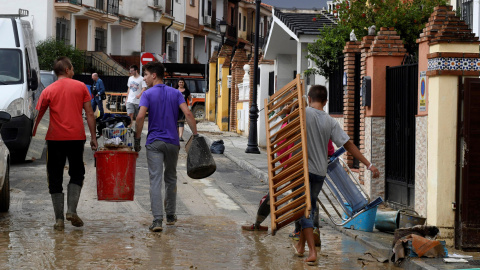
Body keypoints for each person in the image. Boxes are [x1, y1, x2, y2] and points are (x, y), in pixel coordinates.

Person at [292, 85, 380, 265]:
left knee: (304, 209)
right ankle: (301, 247)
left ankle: (312, 252)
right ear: (325, 102)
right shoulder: (331, 121)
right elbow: (348, 145)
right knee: (309, 207)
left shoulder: (303, 113)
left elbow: (290, 115)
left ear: (309, 99)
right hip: (319, 172)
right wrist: (368, 165)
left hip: (302, 170)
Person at [32, 56, 98, 231]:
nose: (74, 70)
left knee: (54, 177)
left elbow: (39, 117)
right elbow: (90, 113)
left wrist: (33, 147)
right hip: (76, 138)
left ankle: (59, 220)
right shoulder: (81, 87)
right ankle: (71, 210)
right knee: (77, 173)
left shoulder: (48, 91)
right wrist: (94, 137)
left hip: (54, 140)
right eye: (73, 68)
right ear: (67, 70)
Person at [134, 61, 198, 232]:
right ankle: (170, 214)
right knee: (170, 177)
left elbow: (140, 118)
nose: (145, 79)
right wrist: (196, 135)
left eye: (146, 75)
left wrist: (137, 137)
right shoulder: (176, 93)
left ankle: (157, 220)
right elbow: (188, 113)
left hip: (154, 142)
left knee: (155, 180)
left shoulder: (147, 94)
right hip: (172, 142)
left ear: (154, 75)